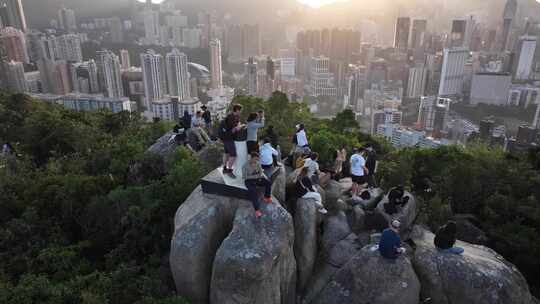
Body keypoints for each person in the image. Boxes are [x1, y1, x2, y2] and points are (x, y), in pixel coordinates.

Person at [243, 152, 273, 218]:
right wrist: (256, 176)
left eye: (257, 159)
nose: (256, 161)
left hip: (258, 178)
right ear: (251, 158)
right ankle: (257, 210)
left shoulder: (258, 164)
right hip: (249, 180)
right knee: (253, 192)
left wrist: (263, 177)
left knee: (268, 182)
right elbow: (245, 177)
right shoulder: (245, 165)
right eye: (255, 159)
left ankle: (266, 197)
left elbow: (261, 172)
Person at [222, 104, 243, 178]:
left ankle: (224, 168)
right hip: (229, 138)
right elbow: (233, 130)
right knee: (233, 155)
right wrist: (239, 127)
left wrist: (238, 124)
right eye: (240, 110)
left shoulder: (230, 115)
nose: (240, 112)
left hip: (225, 138)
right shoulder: (232, 117)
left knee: (226, 153)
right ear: (237, 110)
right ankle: (229, 171)